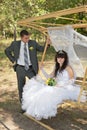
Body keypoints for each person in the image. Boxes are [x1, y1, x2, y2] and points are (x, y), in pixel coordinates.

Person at [22, 50, 86, 120]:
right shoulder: (57, 68)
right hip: (57, 86)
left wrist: (62, 84)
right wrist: (42, 69)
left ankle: (43, 111)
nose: (60, 59)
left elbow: (72, 80)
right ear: (56, 58)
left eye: (62, 58)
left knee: (47, 91)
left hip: (66, 88)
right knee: (39, 89)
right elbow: (49, 77)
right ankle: (37, 111)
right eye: (58, 58)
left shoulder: (68, 68)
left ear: (65, 59)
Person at [5, 30, 50, 105]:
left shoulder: (33, 43)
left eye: (28, 38)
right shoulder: (15, 44)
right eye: (26, 38)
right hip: (20, 68)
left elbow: (42, 49)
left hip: (31, 68)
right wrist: (13, 59)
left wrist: (47, 44)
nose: (28, 39)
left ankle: (36, 102)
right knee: (21, 87)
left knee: (36, 83)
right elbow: (7, 51)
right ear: (21, 37)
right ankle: (23, 105)